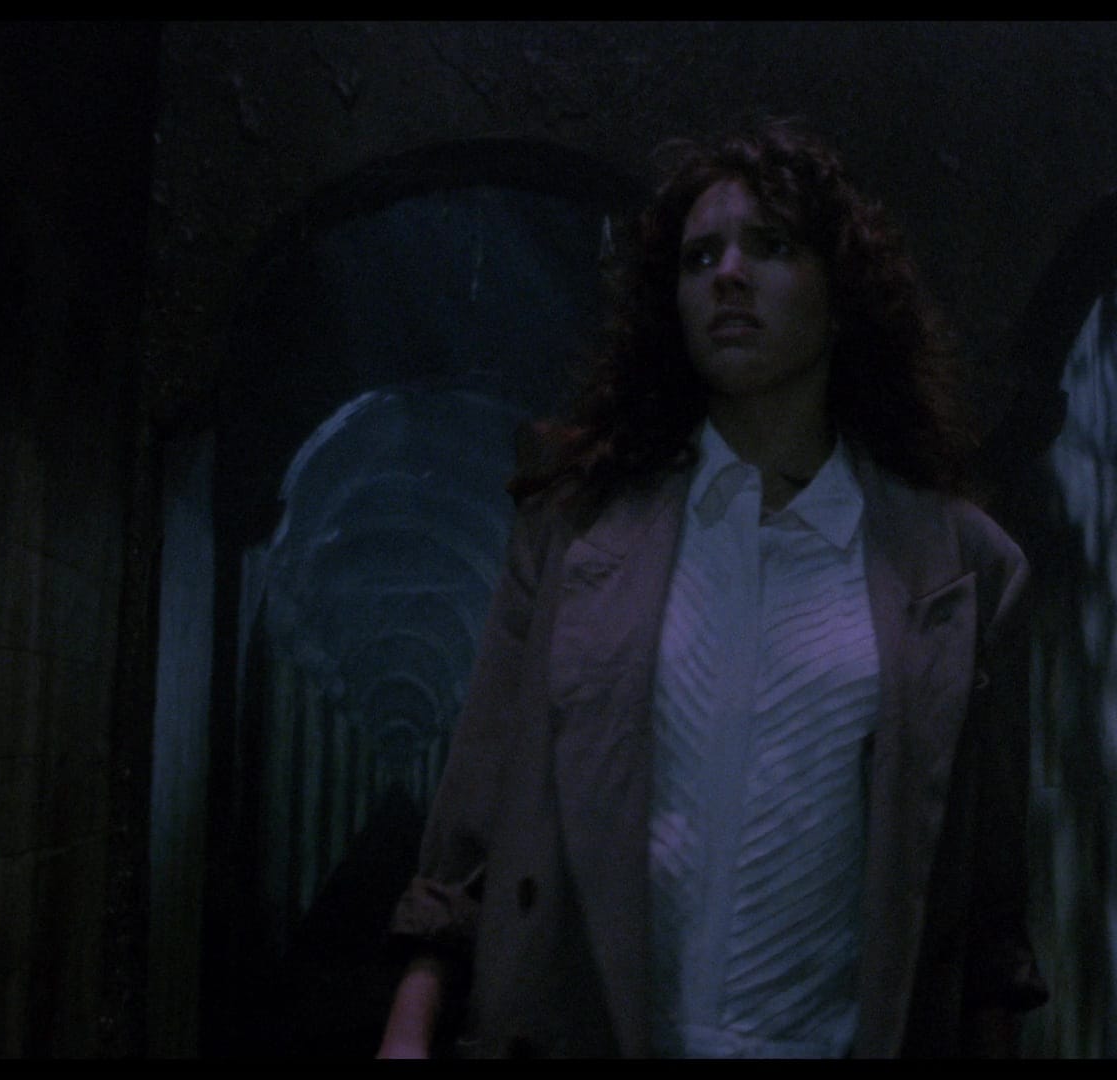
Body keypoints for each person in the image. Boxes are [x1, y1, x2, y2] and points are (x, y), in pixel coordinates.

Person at [376, 120, 1045, 1059]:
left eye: (770, 246)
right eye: (700, 257)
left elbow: (983, 900)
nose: (728, 274)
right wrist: (408, 1029)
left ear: (842, 295)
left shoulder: (958, 567)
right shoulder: (579, 530)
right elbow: (477, 814)